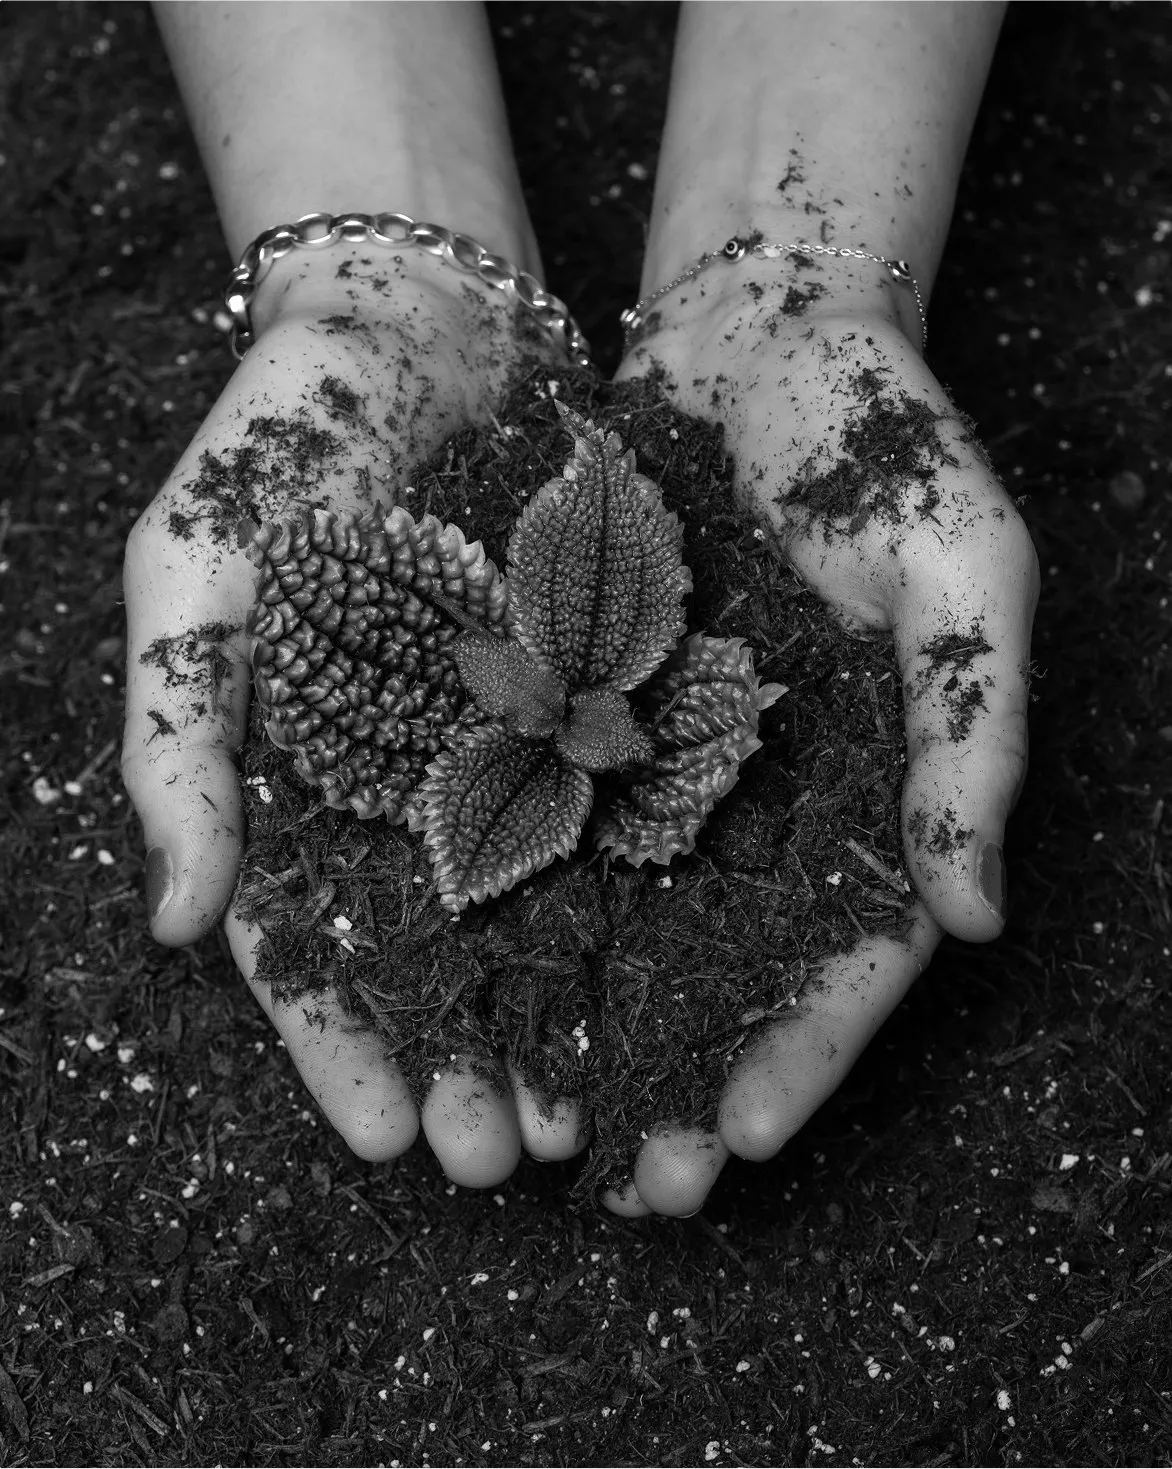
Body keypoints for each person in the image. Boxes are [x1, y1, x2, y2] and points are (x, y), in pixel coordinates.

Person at [122, 2, 1037, 1218]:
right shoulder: (523, 691)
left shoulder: (605, 708)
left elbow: (620, 731)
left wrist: (793, 265)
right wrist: (378, 276)